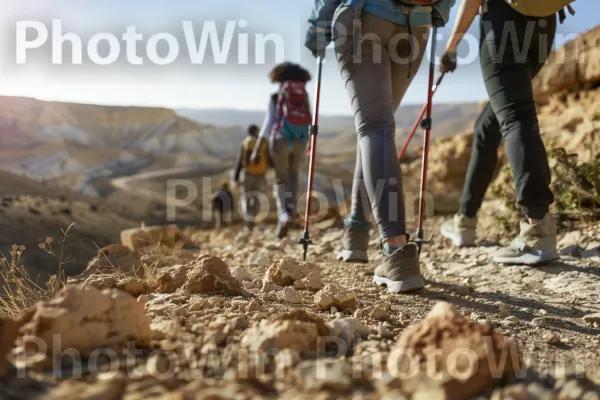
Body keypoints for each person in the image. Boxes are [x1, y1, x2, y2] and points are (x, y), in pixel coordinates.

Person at [306, 0, 455, 293]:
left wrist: (318, 25)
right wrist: (439, 11)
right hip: (416, 27)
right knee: (378, 128)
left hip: (364, 17)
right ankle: (356, 233)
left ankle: (396, 250)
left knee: (374, 128)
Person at [439, 0, 561, 265]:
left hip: (504, 23)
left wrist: (451, 48)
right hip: (544, 25)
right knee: (486, 127)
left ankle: (537, 229)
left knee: (516, 117)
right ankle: (465, 220)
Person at [252, 63, 312, 239]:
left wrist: (257, 148)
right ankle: (291, 206)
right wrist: (308, 141)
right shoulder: (304, 96)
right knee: (294, 175)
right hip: (300, 140)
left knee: (280, 178)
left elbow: (268, 123)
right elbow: (309, 118)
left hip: (280, 140)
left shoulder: (275, 97)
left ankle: (283, 213)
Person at [232, 124, 269, 231]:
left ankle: (249, 223)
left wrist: (236, 179)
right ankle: (254, 219)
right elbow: (267, 159)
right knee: (256, 198)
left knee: (246, 198)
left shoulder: (246, 142)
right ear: (256, 131)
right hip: (260, 175)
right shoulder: (263, 142)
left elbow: (239, 161)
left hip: (247, 174)